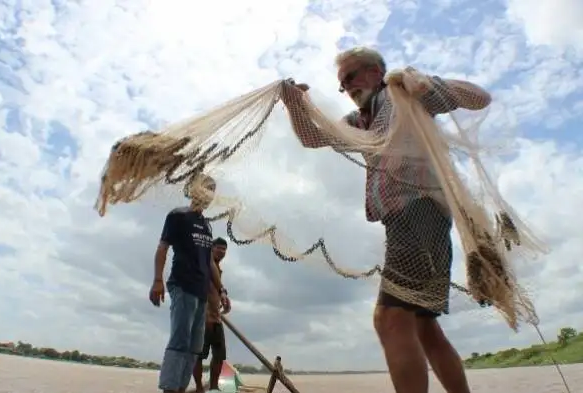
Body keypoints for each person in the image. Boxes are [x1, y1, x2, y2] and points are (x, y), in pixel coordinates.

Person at [281, 47, 491, 393]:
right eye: (341, 84)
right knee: (423, 326)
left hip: (418, 210)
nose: (346, 87)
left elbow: (479, 98)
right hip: (412, 221)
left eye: (350, 77)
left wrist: (424, 85)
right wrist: (293, 104)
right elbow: (312, 137)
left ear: (377, 72)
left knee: (389, 319)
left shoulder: (403, 94)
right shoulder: (359, 121)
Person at [149, 174, 227, 393]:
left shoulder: (206, 226)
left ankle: (181, 388)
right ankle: (170, 388)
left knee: (194, 347)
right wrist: (157, 280)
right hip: (182, 286)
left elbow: (209, 263)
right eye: (205, 188)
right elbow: (163, 247)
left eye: (212, 190)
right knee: (180, 340)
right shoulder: (178, 216)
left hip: (202, 293)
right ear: (193, 190)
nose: (209, 194)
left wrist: (221, 291)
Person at [193, 237, 232, 393]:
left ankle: (214, 387)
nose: (222, 252)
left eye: (224, 249)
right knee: (199, 355)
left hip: (216, 318)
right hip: (203, 317)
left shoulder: (218, 270)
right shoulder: (204, 264)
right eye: (219, 248)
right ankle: (198, 388)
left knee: (219, 355)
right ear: (211, 248)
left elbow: (216, 291)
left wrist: (224, 300)